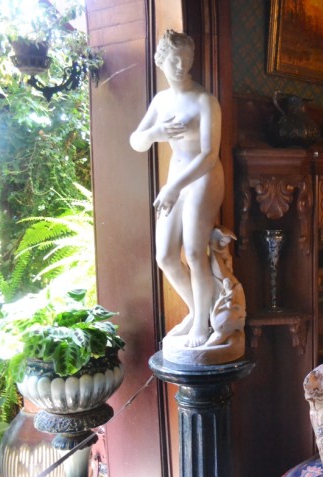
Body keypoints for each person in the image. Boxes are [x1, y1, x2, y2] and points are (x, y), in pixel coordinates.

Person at [130, 30, 225, 349]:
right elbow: (137, 142)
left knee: (196, 251)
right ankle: (199, 309)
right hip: (177, 177)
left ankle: (203, 323)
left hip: (202, 176)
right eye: (174, 59)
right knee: (166, 256)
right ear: (161, 60)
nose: (181, 65)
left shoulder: (205, 101)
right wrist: (155, 131)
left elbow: (209, 155)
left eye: (187, 59)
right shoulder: (161, 101)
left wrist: (173, 187)